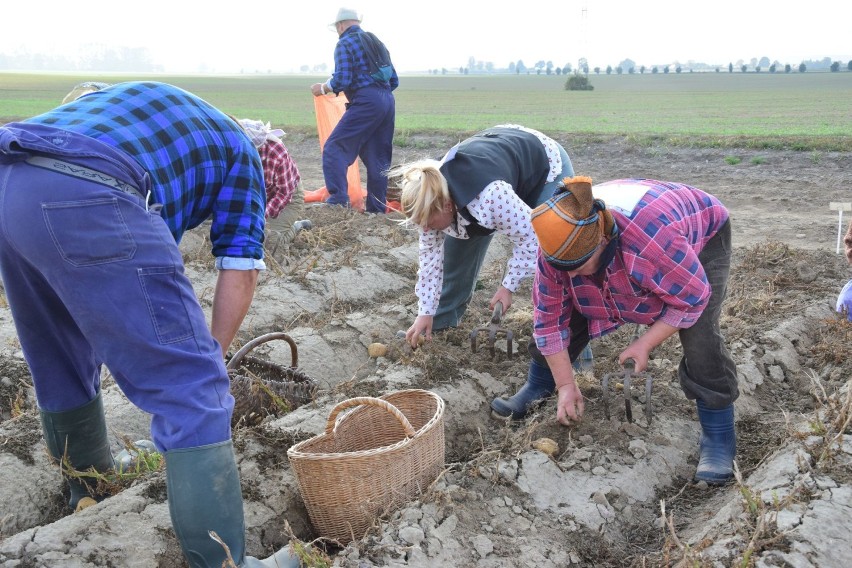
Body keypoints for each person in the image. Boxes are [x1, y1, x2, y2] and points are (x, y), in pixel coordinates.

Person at [0, 81, 299, 567]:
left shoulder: (165, 119)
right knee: (192, 388)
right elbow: (240, 271)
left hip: (10, 181)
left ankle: (89, 482)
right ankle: (226, 563)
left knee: (59, 354)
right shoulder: (244, 155)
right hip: (87, 187)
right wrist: (212, 358)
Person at [528, 175, 738, 484]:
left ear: (602, 241)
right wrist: (565, 386)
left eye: (579, 264)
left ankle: (719, 435)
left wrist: (646, 343)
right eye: (564, 267)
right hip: (639, 226)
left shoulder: (653, 244)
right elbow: (547, 321)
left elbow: (692, 299)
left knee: (700, 337)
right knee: (567, 307)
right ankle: (539, 384)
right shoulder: (557, 247)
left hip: (700, 230)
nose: (570, 272)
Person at [389, 124, 593, 417]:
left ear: (447, 205)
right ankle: (440, 322)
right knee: (454, 255)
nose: (424, 228)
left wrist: (508, 286)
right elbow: (432, 261)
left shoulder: (489, 197)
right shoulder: (433, 203)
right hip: (491, 172)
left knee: (560, 256)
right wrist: (425, 311)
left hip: (543, 167)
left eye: (428, 221)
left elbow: (530, 238)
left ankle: (579, 354)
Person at [310, 7, 398, 213]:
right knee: (378, 158)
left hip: (367, 101)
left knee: (334, 148)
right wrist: (377, 96)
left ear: (340, 26)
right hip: (387, 101)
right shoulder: (378, 43)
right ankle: (376, 210)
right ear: (356, 22)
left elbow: (343, 79)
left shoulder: (344, 43)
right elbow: (394, 80)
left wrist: (322, 88)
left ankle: (338, 200)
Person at [237, 118, 311, 261]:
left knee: (271, 243)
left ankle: (296, 227)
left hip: (286, 198)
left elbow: (284, 194)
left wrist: (260, 216)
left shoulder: (276, 153)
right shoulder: (237, 153)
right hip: (258, 197)